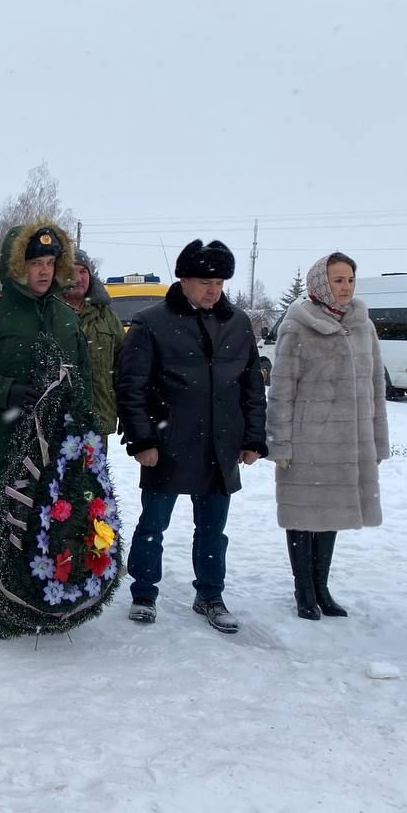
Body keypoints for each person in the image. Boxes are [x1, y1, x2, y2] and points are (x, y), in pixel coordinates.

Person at [0, 219, 92, 636]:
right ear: (15, 266)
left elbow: (82, 373)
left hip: (55, 447)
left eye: (50, 262)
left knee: (49, 525)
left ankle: (41, 607)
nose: (44, 271)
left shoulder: (66, 316)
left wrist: (86, 425)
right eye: (35, 263)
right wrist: (4, 390)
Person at [116, 239, 267, 634]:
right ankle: (144, 592)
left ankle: (211, 594)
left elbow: (252, 385)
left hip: (221, 445)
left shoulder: (237, 323)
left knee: (213, 529)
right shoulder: (152, 322)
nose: (212, 290)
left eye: (218, 282)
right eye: (204, 281)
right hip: (168, 443)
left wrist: (252, 438)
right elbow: (132, 387)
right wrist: (142, 440)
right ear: (183, 279)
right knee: (153, 525)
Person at [267, 252, 387, 620]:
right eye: (338, 280)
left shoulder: (363, 325)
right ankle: (304, 590)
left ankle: (322, 587)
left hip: (350, 442)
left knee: (332, 516)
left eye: (350, 279)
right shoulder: (298, 326)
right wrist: (280, 443)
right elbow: (282, 389)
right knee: (304, 518)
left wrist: (378, 440)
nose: (345, 287)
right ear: (321, 283)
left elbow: (375, 386)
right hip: (309, 442)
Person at [62, 248, 124, 440]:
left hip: (97, 423)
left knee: (94, 470)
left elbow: (124, 365)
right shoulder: (47, 313)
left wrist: (128, 410)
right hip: (56, 425)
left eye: (83, 271)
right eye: (71, 271)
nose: (78, 278)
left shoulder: (106, 316)